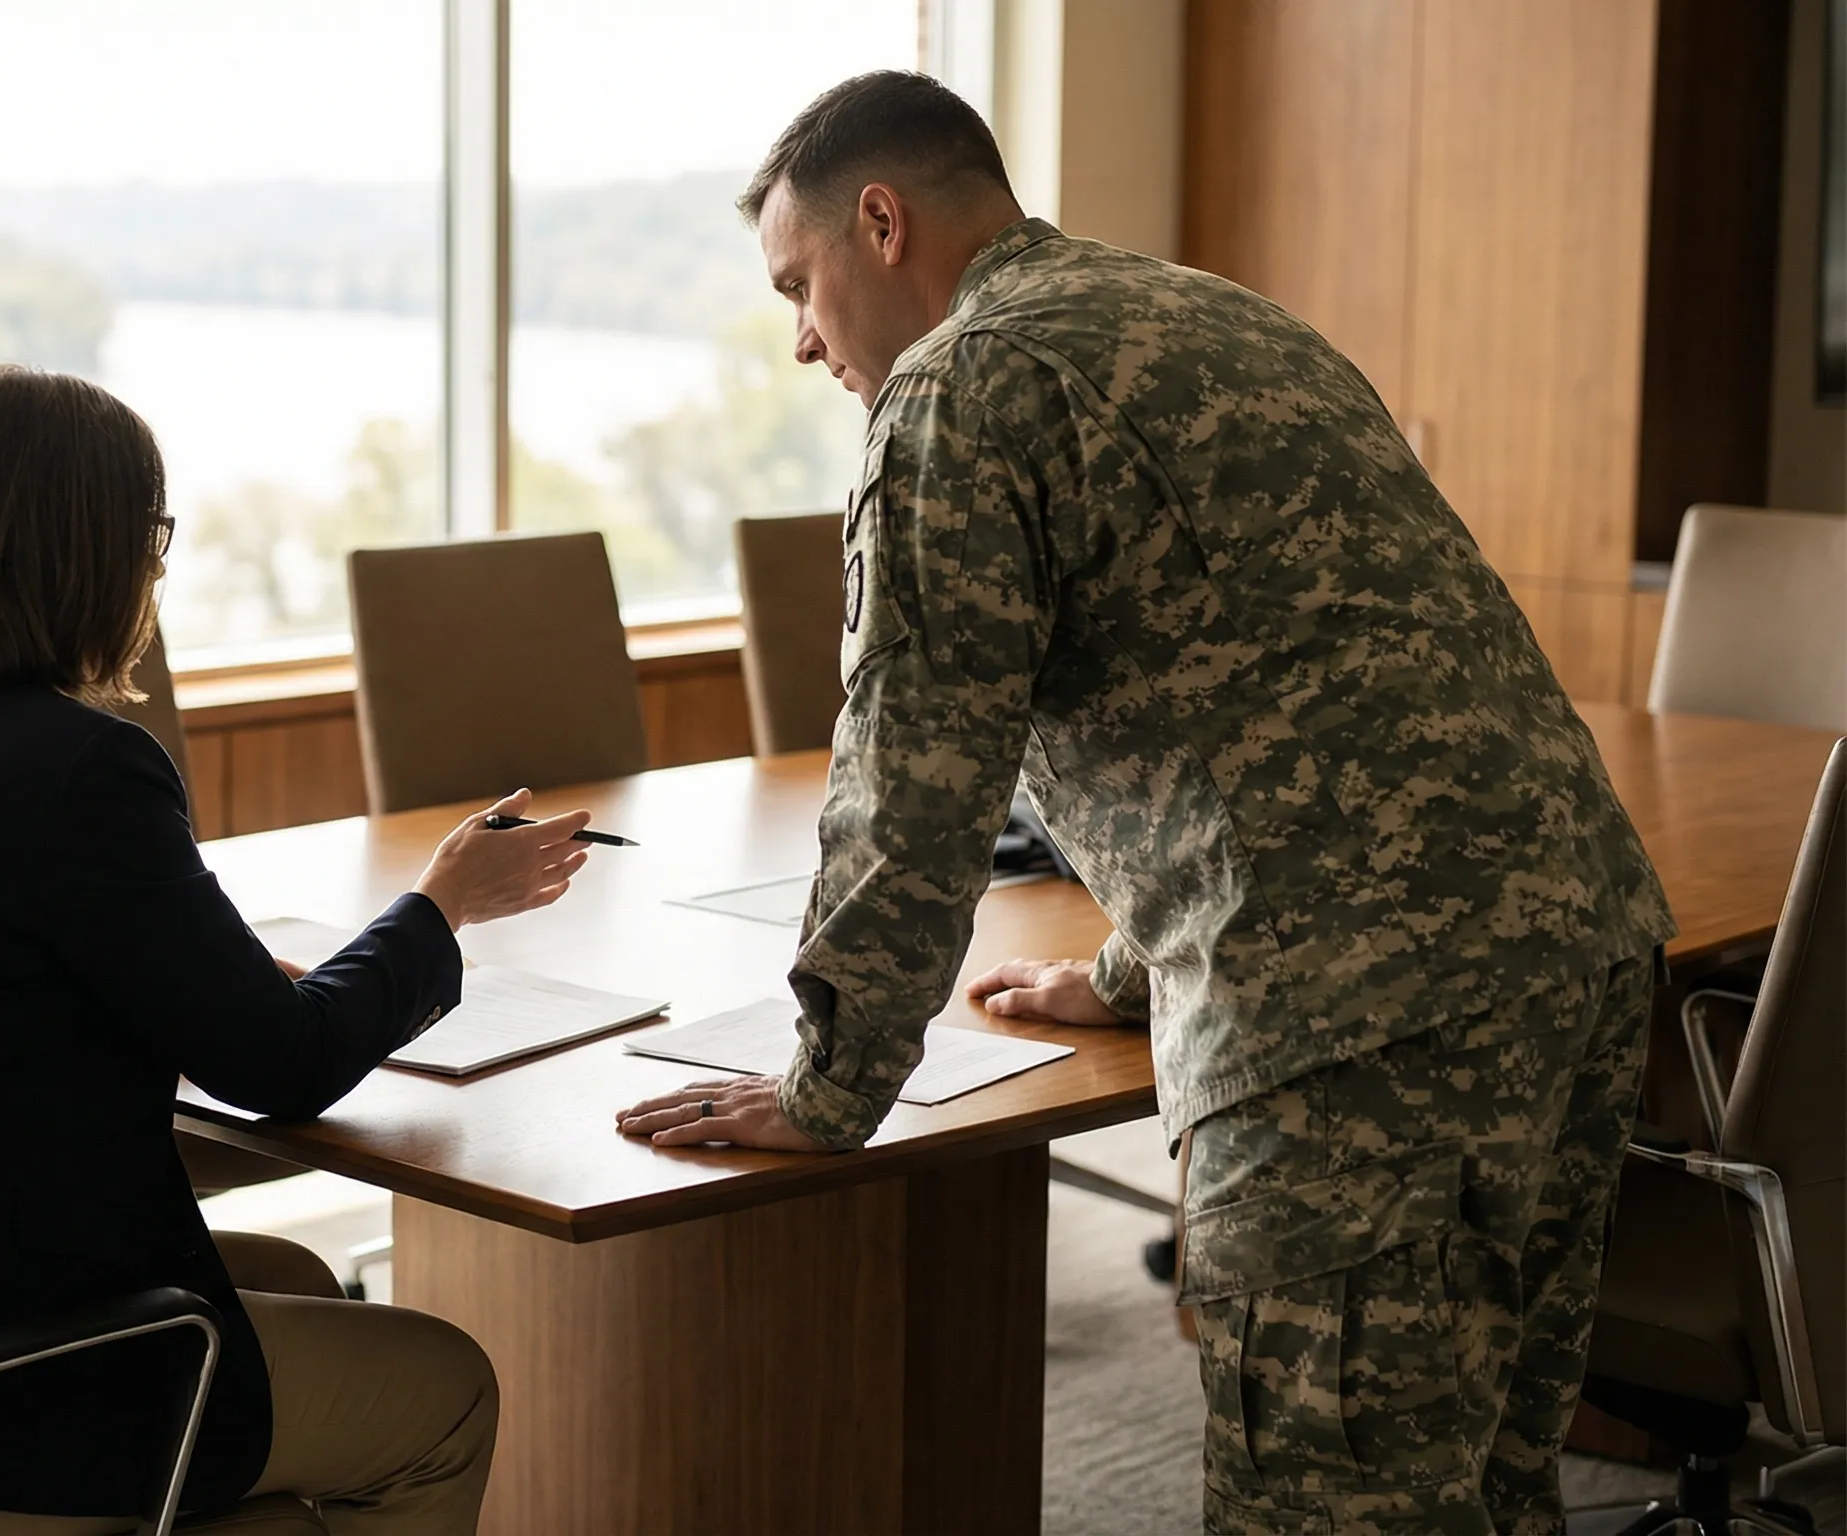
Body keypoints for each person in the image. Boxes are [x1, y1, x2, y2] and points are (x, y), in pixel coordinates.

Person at [616, 72, 1673, 1536]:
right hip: (1575, 953)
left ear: (881, 224)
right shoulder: (1215, 317)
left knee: (1336, 1510)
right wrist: (1127, 973)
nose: (802, 339)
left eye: (799, 285)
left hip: (1354, 1026)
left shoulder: (958, 384)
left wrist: (830, 1086)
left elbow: (912, 782)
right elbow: (1297, 697)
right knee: (1489, 1488)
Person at [0, 365, 593, 1531]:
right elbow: (283, 1067)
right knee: (445, 1393)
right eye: (151, 535)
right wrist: (442, 906)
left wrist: (198, 982)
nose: (155, 569)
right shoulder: (77, 768)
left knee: (298, 1284)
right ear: (82, 552)